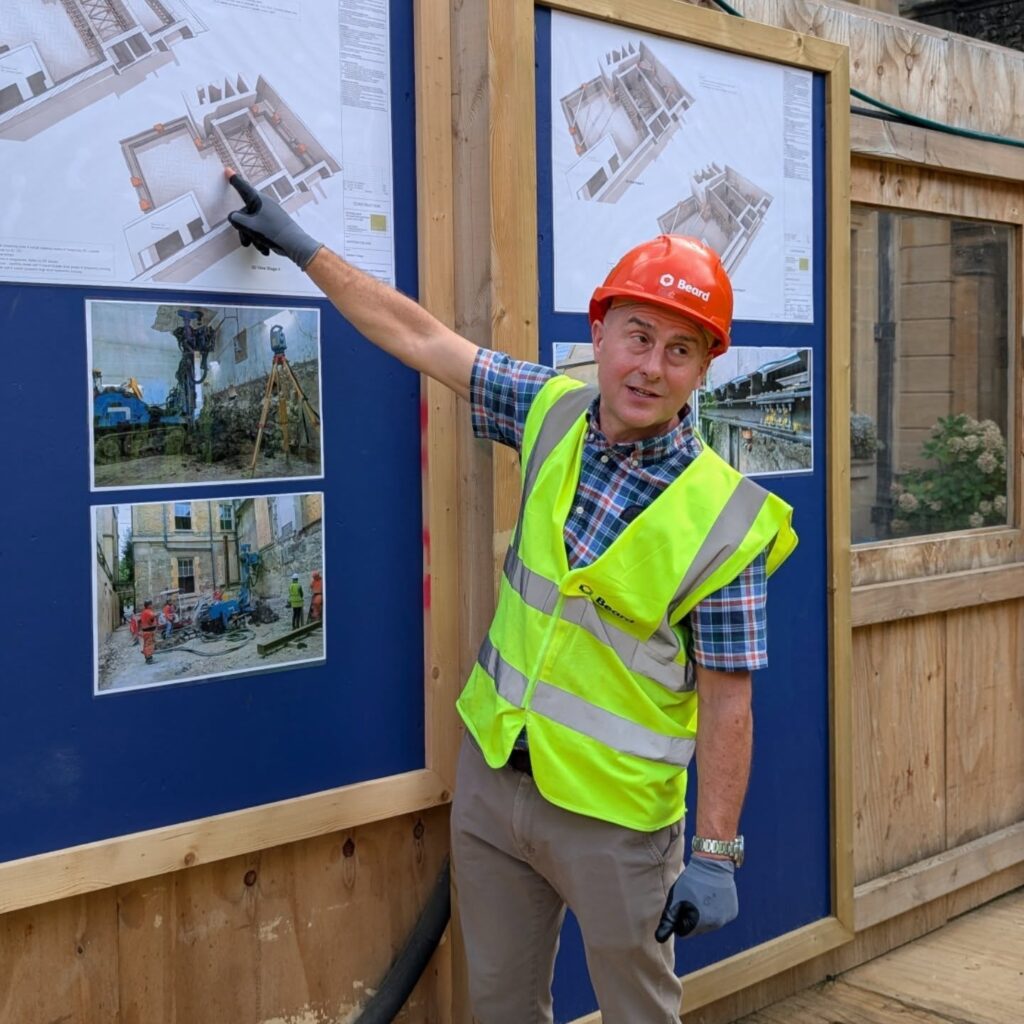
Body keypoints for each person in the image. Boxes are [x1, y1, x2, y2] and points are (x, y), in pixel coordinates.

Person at [225, 169, 797, 1023]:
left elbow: (729, 704)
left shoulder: (724, 518)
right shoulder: (554, 411)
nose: (651, 367)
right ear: (599, 331)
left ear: (706, 367)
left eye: (680, 350)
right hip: (496, 783)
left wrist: (715, 853)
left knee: (640, 1013)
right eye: (637, 336)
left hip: (616, 824)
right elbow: (421, 338)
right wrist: (306, 250)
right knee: (499, 1005)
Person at [139, 599, 158, 664]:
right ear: (149, 605)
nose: (152, 605)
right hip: (149, 631)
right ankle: (149, 659)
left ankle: (147, 657)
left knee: (146, 644)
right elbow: (151, 618)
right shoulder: (149, 612)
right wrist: (156, 615)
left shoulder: (144, 612)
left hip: (146, 631)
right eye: (151, 604)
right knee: (149, 644)